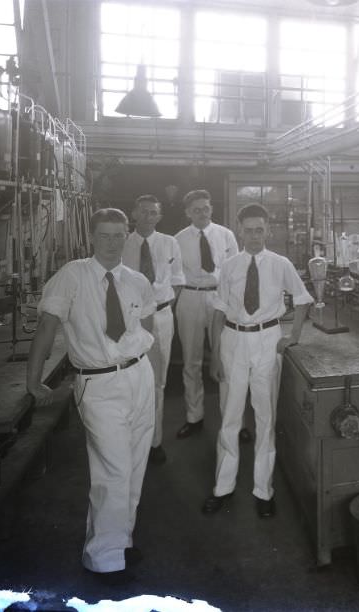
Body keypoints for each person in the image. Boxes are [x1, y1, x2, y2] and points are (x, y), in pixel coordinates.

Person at [26, 208, 155, 580]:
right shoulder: (73, 275)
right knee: (112, 470)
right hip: (98, 384)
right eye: (105, 235)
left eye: (119, 235)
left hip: (139, 378)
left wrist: (149, 374)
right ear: (92, 238)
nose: (112, 243)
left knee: (132, 465)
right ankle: (103, 558)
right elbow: (47, 327)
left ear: (127, 236)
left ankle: (121, 541)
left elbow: (146, 328)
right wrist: (34, 382)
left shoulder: (137, 281)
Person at [202, 203, 313, 518]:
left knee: (266, 419)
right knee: (229, 419)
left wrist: (293, 336)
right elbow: (219, 310)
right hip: (233, 341)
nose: (254, 236)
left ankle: (264, 491)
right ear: (240, 231)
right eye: (248, 230)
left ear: (269, 230)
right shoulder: (230, 266)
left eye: (259, 229)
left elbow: (303, 298)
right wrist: (214, 355)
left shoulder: (281, 264)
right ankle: (223, 489)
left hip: (267, 340)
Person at [122, 194, 185, 464]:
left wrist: (164, 307)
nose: (148, 217)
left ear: (159, 217)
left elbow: (178, 280)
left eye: (153, 213)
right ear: (134, 213)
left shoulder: (170, 243)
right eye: (143, 211)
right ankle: (129, 441)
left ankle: (154, 442)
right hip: (129, 320)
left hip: (161, 316)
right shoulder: (122, 244)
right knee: (128, 380)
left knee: (158, 381)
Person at [173, 189, 239, 439]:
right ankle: (194, 417)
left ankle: (233, 421)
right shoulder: (178, 240)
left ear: (211, 209)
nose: (202, 213)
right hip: (189, 297)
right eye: (196, 209)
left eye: (206, 208)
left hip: (220, 298)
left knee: (226, 360)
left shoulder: (226, 235)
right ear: (188, 213)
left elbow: (235, 272)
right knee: (191, 361)